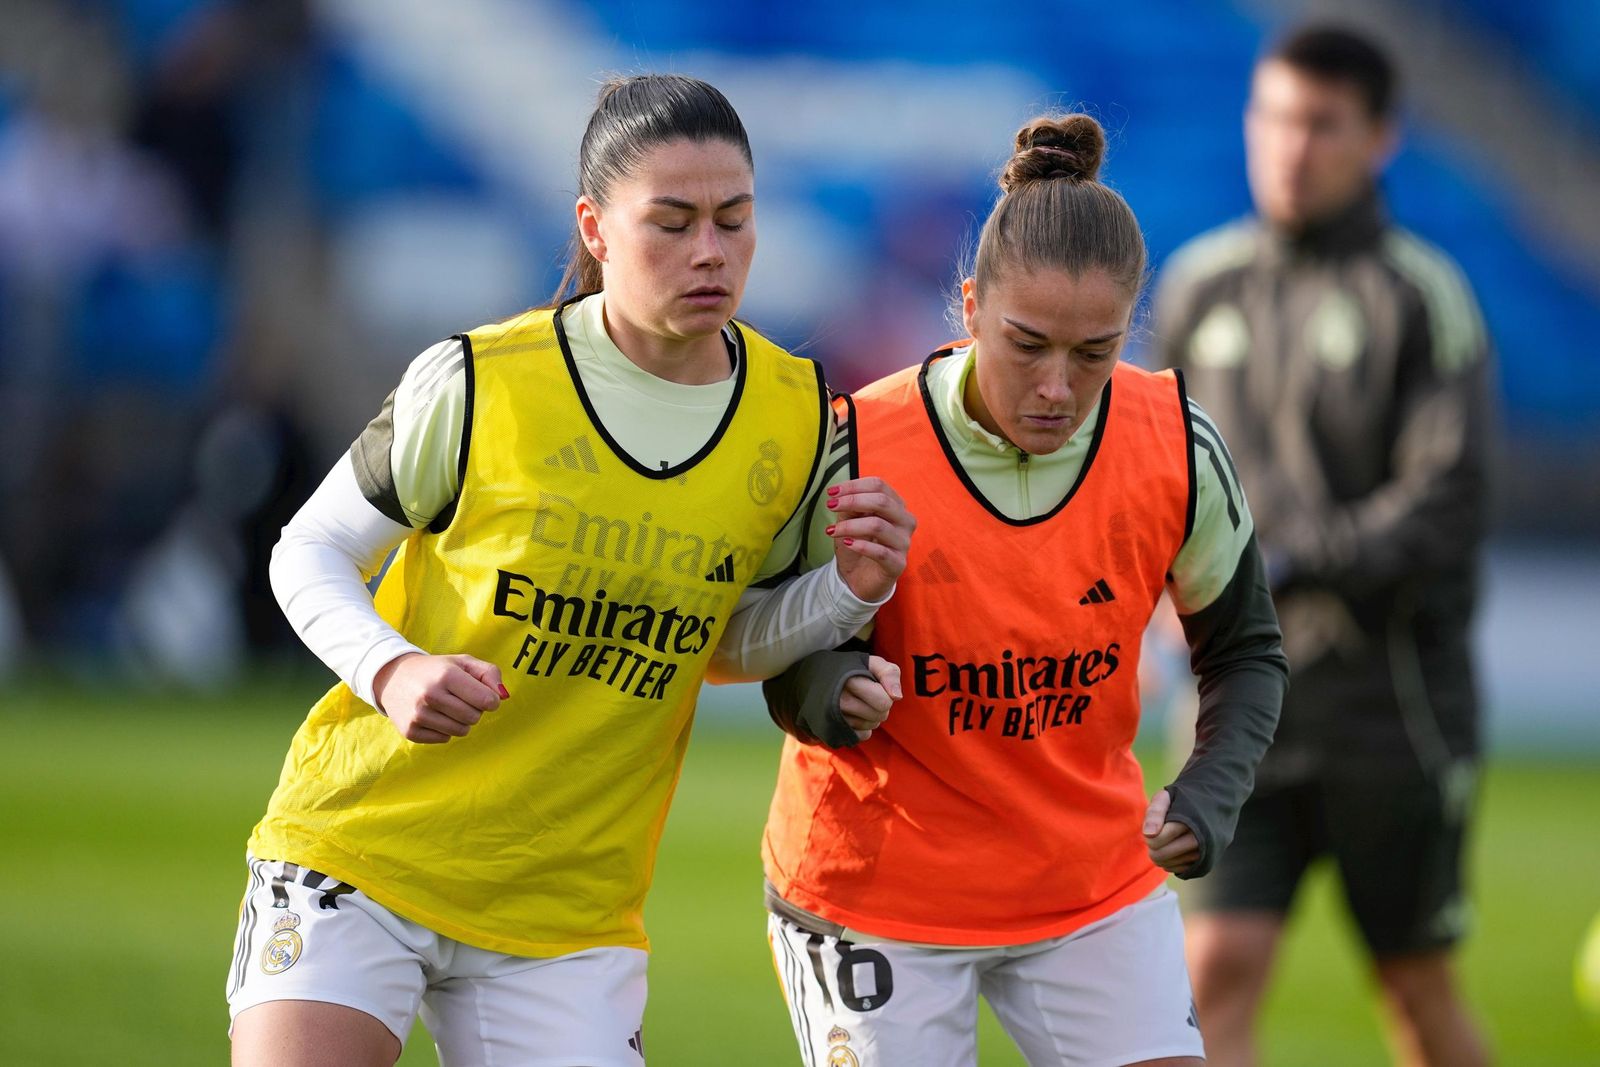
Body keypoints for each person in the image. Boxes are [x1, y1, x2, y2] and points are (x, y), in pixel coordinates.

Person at [224, 74, 913, 1067]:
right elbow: (309, 549)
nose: (710, 250)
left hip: (568, 915)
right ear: (594, 226)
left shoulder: (798, 416)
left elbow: (710, 643)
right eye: (670, 222)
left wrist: (845, 587)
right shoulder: (479, 381)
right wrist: (391, 666)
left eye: (734, 218)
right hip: (361, 853)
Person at [756, 112, 1288, 1067]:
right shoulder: (856, 443)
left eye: (1095, 352)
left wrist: (1210, 789)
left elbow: (1244, 650)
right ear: (967, 305)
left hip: (1088, 885)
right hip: (879, 892)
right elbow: (777, 651)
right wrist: (833, 692)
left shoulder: (1174, 442)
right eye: (1028, 343)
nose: (1057, 385)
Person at [1152, 25, 1494, 1067]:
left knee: (1414, 992)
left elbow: (1446, 498)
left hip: (1387, 708)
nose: (1289, 147)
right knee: (1204, 983)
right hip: (1233, 710)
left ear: (1378, 137)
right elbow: (1154, 475)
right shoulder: (1199, 284)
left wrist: (1284, 560)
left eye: (1319, 124)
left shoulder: (1419, 296)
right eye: (1272, 117)